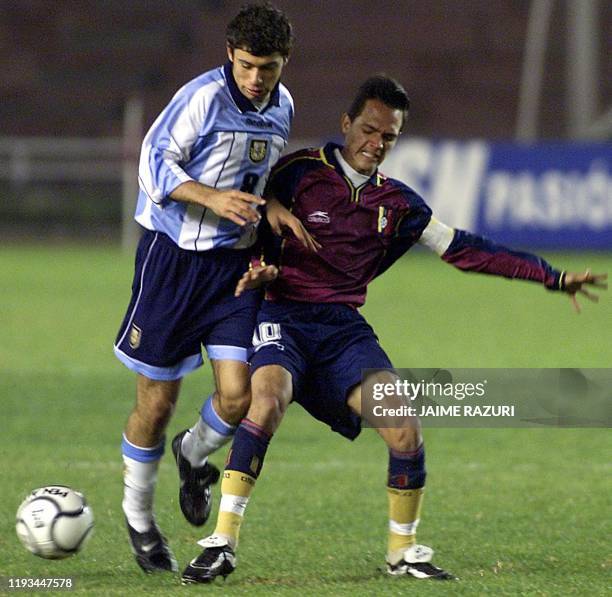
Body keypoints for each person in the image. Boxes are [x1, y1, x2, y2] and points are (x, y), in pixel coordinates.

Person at [180, 74, 608, 584]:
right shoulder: (296, 173)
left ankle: (403, 553)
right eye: (368, 130)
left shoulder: (399, 206)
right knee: (266, 402)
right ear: (347, 124)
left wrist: (551, 276)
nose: (375, 144)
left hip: (342, 330)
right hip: (281, 317)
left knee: (404, 425)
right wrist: (260, 263)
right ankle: (222, 544)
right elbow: (247, 216)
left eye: (389, 137)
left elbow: (466, 249)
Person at [113, 3, 308, 574]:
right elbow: (152, 164)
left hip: (233, 270)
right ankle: (141, 520)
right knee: (157, 402)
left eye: (267, 68)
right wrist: (210, 197)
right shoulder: (201, 98)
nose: (255, 78)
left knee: (240, 395)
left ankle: (192, 453)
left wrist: (264, 203)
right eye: (246, 65)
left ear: (283, 63)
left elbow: (258, 173)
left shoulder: (284, 106)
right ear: (229, 56)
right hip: (172, 265)